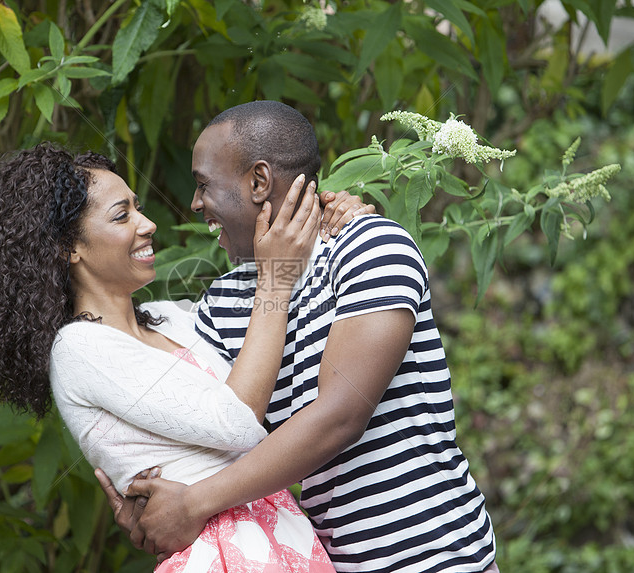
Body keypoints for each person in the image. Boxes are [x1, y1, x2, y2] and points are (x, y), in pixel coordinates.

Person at [99, 101, 499, 573]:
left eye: (204, 183)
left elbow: (339, 416)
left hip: (440, 559)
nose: (194, 203)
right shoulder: (224, 305)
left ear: (259, 182)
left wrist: (192, 505)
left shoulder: (370, 248)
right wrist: (145, 500)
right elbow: (205, 428)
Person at [0, 143, 370, 572]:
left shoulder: (174, 320)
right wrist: (276, 280)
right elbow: (239, 422)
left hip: (278, 536)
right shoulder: (78, 349)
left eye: (138, 207)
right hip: (219, 554)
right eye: (121, 215)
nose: (148, 224)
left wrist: (331, 215)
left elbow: (263, 331)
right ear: (67, 248)